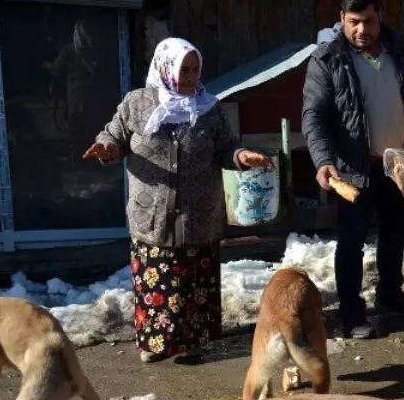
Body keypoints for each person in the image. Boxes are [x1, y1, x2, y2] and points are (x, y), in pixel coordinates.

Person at [84, 37, 270, 363]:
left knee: (195, 284)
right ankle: (155, 344)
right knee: (156, 283)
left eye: (196, 70)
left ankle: (192, 343)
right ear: (165, 66)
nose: (190, 77)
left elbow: (227, 147)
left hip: (199, 213)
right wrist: (108, 148)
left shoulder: (209, 109)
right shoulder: (137, 103)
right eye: (184, 69)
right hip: (152, 215)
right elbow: (113, 134)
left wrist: (243, 156)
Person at [302, 0, 404, 339]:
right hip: (354, 169)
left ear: (380, 18)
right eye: (354, 22)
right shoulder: (327, 59)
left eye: (370, 21)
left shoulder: (400, 51)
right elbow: (313, 116)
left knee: (396, 233)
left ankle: (390, 296)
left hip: (397, 163)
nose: (363, 30)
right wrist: (322, 160)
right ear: (341, 20)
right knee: (352, 241)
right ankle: (351, 314)